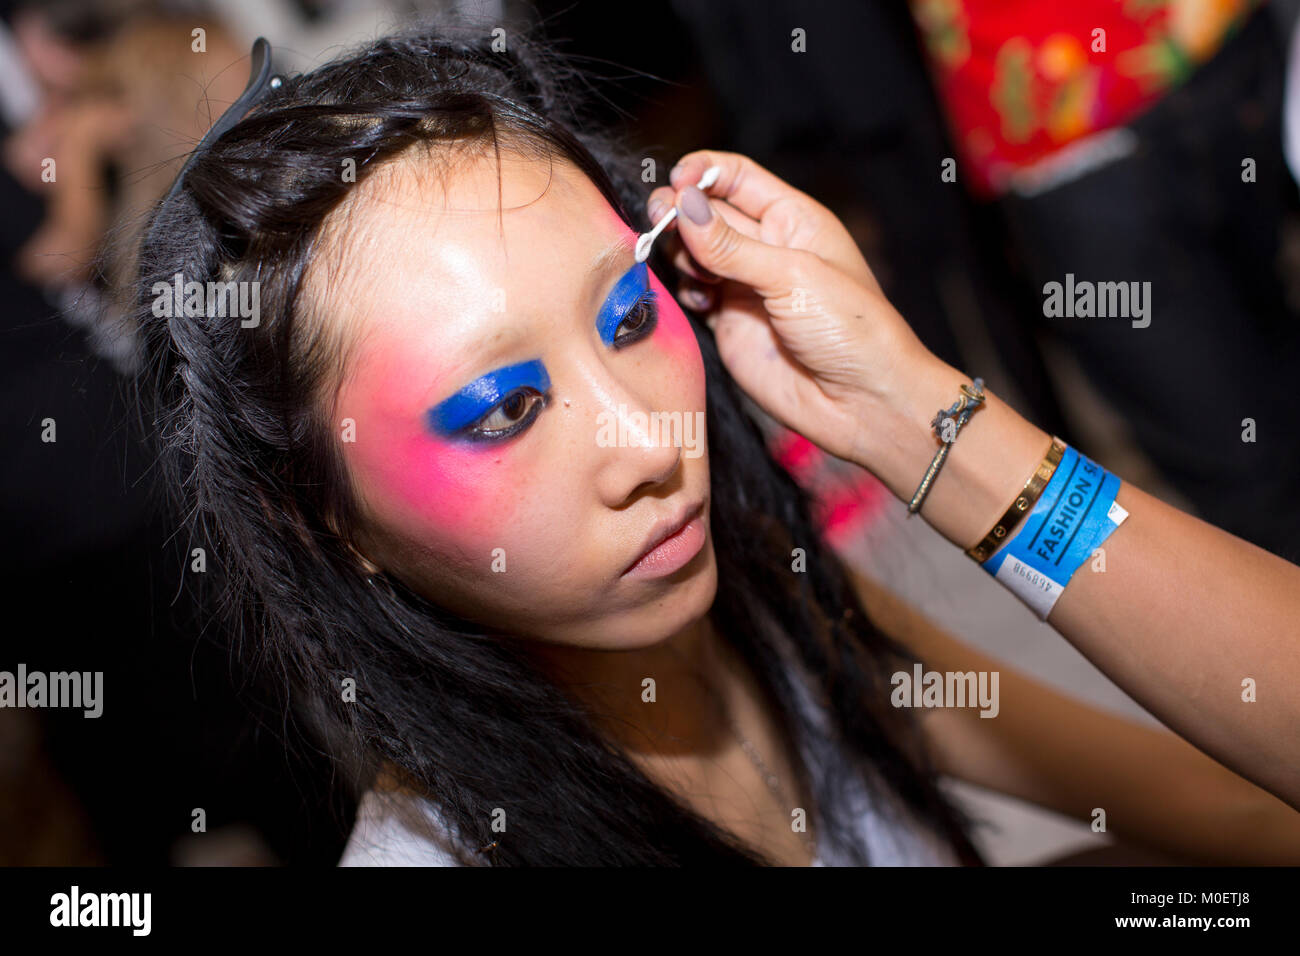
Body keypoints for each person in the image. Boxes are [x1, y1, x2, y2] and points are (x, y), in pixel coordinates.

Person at [132, 23, 1300, 867]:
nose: (651, 440)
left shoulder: (779, 620)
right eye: (505, 407)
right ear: (323, 513)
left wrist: (915, 413)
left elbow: (1246, 806)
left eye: (629, 317)